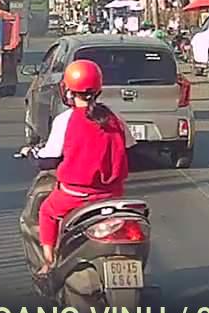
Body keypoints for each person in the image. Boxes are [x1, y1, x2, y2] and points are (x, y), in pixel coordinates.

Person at [31, 60, 135, 275]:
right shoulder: (114, 118)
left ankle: (48, 262)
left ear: (68, 90)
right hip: (111, 194)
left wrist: (35, 155)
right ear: (98, 89)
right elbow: (130, 148)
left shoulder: (65, 120)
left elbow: (48, 160)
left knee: (47, 212)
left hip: (74, 196)